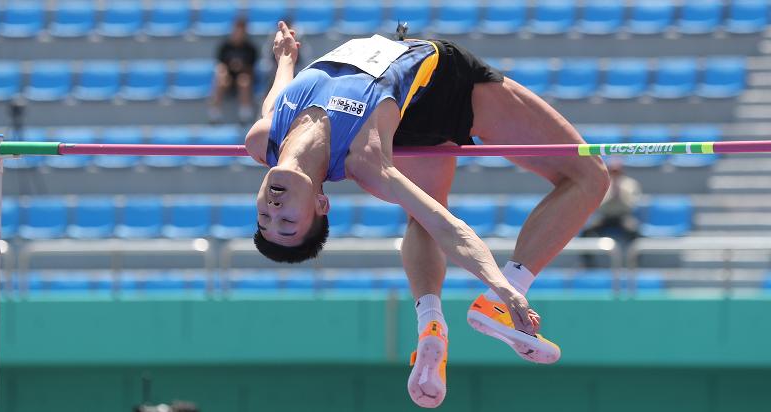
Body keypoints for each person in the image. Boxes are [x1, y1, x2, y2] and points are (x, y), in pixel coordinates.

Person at [245, 22, 610, 408]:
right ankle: (501, 298)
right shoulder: (366, 160)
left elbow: (276, 99)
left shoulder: (263, 138)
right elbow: (446, 226)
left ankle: (431, 325)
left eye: (265, 220)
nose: (274, 212)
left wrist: (285, 58)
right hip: (444, 88)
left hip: (404, 116)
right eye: (287, 222)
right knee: (590, 175)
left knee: (423, 210)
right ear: (321, 203)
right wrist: (505, 287)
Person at [582, 160, 642, 267]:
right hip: (605, 216)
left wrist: (620, 196)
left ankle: (634, 262)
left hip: (622, 216)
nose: (614, 173)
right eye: (612, 171)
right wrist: (611, 196)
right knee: (587, 231)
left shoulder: (630, 184)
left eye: (617, 171)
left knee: (635, 231)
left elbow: (632, 205)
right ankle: (588, 263)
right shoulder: (602, 184)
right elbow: (598, 205)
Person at [209, 18, 258, 124]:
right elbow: (220, 64)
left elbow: (252, 68)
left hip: (243, 78)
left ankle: (245, 114)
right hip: (228, 78)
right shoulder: (225, 47)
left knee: (243, 80)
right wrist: (226, 69)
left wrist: (241, 67)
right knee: (220, 78)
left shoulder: (250, 48)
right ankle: (214, 113)